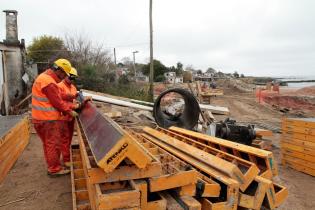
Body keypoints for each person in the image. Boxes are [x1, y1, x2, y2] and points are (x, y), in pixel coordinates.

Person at [32, 58, 79, 177]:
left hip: (40, 118)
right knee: (54, 145)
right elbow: (57, 101)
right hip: (48, 120)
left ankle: (53, 166)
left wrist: (74, 96)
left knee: (48, 144)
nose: (64, 78)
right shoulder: (49, 82)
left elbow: (60, 94)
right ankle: (54, 169)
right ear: (60, 71)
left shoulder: (45, 78)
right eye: (64, 74)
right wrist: (69, 111)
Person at [57, 67, 79, 167]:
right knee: (64, 139)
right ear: (66, 75)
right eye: (70, 77)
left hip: (71, 117)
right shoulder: (59, 86)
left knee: (69, 138)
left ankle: (66, 156)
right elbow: (60, 102)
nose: (72, 79)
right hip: (62, 117)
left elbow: (74, 100)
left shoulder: (73, 88)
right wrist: (73, 107)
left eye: (73, 78)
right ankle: (66, 160)